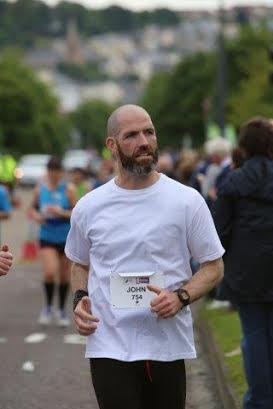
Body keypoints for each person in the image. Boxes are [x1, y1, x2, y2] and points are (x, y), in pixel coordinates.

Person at [65, 104, 224, 409]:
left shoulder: (187, 200)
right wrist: (79, 298)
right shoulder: (89, 206)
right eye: (132, 135)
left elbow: (214, 266)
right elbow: (79, 263)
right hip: (109, 344)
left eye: (149, 132)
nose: (144, 142)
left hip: (166, 344)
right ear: (111, 144)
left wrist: (181, 296)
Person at [213, 117, 273, 409]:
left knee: (254, 336)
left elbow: (218, 231)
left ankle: (260, 399)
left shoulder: (233, 181)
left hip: (246, 271)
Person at [29, 157, 77, 327]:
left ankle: (61, 310)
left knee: (64, 277)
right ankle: (48, 307)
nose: (53, 175)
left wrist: (61, 212)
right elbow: (32, 208)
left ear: (61, 173)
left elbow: (76, 213)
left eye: (56, 172)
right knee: (50, 272)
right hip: (47, 235)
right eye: (50, 172)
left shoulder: (68, 189)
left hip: (65, 237)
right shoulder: (39, 189)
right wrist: (36, 216)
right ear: (47, 172)